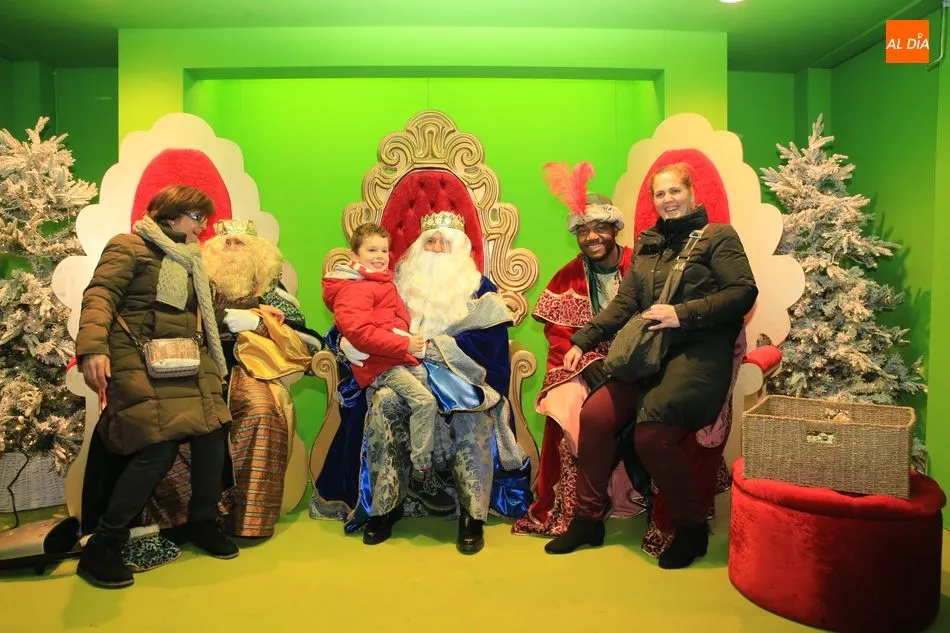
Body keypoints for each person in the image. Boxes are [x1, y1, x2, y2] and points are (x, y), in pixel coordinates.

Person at [545, 162, 758, 570]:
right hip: (650, 353)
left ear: (691, 193)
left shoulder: (718, 237)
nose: (668, 199)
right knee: (595, 416)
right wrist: (582, 339)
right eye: (660, 194)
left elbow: (743, 293)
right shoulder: (649, 244)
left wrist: (683, 314)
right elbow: (626, 303)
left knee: (651, 434)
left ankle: (691, 529)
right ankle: (588, 521)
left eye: (675, 191)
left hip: (699, 354)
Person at [310, 211, 531, 554]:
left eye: (446, 242)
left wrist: (434, 349)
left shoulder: (480, 288)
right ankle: (384, 508)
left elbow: (491, 347)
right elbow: (352, 319)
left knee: (471, 410)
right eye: (430, 241)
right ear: (418, 246)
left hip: (459, 375)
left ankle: (472, 515)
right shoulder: (392, 282)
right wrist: (343, 343)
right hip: (398, 369)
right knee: (384, 403)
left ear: (461, 248)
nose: (437, 248)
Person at [74, 185, 236, 588]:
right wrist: (92, 349)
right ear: (171, 214)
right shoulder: (128, 246)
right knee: (157, 446)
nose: (202, 227)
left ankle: (202, 521)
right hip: (137, 357)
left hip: (184, 357)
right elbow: (99, 296)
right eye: (197, 218)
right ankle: (102, 546)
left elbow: (200, 313)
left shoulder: (193, 258)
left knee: (213, 433)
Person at [140, 218, 322, 542]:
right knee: (177, 418)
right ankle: (179, 518)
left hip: (249, 367)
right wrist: (224, 319)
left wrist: (258, 322)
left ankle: (247, 518)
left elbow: (306, 340)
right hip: (198, 364)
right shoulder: (195, 278)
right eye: (227, 242)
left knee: (262, 411)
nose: (233, 248)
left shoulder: (269, 288)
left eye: (241, 242)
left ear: (258, 253)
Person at [513, 162, 639, 537]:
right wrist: (585, 364)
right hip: (581, 364)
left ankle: (630, 493)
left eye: (599, 227)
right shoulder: (568, 275)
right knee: (566, 405)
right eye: (583, 230)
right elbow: (558, 334)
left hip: (635, 363)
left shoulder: (639, 266)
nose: (592, 236)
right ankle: (571, 508)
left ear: (614, 228)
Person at [322, 222, 454, 513]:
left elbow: (395, 319)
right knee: (425, 401)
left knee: (438, 392)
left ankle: (438, 463)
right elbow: (359, 331)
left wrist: (405, 339)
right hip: (382, 364)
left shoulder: (386, 282)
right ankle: (421, 473)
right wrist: (402, 342)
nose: (380, 256)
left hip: (402, 357)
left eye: (384, 250)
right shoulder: (355, 287)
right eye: (372, 250)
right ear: (354, 255)